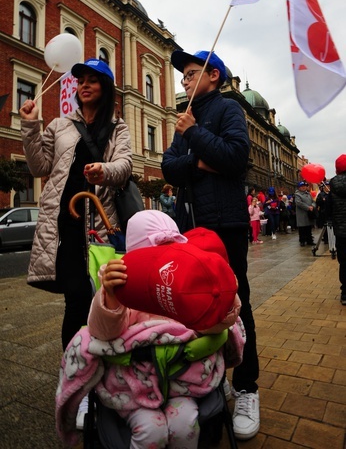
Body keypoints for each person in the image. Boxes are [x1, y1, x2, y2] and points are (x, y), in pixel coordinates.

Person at [56, 210, 244, 448]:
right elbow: (103, 333)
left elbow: (211, 324)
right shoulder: (122, 281)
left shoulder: (184, 282)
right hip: (136, 387)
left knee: (185, 424)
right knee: (150, 430)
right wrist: (110, 297)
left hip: (182, 380)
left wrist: (225, 300)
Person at [161, 49, 260, 440]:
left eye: (190, 73)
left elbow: (236, 158)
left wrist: (194, 137)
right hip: (189, 225)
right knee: (196, 307)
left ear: (213, 75)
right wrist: (200, 160)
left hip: (226, 224)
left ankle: (248, 387)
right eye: (182, 75)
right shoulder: (184, 119)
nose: (184, 80)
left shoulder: (228, 109)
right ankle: (207, 384)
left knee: (236, 303)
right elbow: (169, 168)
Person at [19, 58, 133, 352]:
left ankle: (103, 371)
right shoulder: (60, 124)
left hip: (101, 227)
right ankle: (76, 374)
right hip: (66, 225)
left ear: (105, 87)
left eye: (92, 80)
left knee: (102, 298)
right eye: (81, 80)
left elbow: (124, 166)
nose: (84, 85)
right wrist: (30, 126)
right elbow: (39, 167)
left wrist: (104, 171)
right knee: (75, 300)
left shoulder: (118, 128)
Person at [329, 154, 346, 305]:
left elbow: (328, 209)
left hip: (341, 231)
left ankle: (345, 293)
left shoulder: (332, 186)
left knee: (344, 262)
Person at [294, 181, 316, 246]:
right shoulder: (297, 194)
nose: (303, 187)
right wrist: (308, 207)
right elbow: (299, 203)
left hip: (309, 214)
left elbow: (313, 201)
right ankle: (302, 241)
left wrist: (312, 206)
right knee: (302, 228)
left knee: (309, 228)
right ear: (299, 188)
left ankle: (309, 240)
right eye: (302, 186)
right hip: (302, 214)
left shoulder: (309, 194)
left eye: (305, 186)